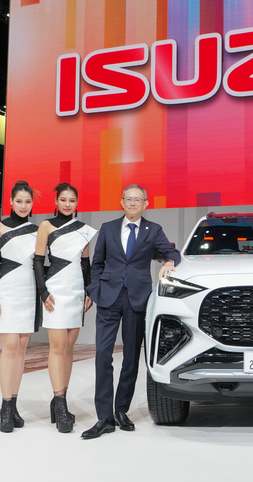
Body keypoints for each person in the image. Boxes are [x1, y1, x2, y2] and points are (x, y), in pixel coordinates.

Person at [81, 184, 180, 439]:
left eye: (138, 199)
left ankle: (121, 410)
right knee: (103, 355)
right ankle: (104, 417)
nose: (133, 203)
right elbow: (97, 263)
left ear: (146, 203)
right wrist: (95, 290)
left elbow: (172, 252)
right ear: (122, 202)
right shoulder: (108, 228)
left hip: (137, 299)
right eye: (128, 199)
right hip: (108, 298)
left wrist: (170, 261)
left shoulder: (153, 230)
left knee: (131, 358)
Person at [34, 183, 97, 433]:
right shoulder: (46, 226)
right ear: (56, 202)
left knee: (69, 347)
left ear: (77, 203)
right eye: (63, 200)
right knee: (58, 347)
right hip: (55, 289)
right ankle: (60, 404)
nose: (67, 204)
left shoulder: (84, 230)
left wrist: (89, 291)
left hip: (76, 289)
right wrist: (42, 291)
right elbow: (38, 260)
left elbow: (86, 263)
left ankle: (60, 398)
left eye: (72, 200)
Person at [0, 180, 39, 433]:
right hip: (6, 289)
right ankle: (5, 407)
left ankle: (14, 405)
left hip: (28, 290)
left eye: (28, 202)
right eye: (19, 201)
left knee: (21, 350)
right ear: (10, 202)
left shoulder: (37, 230)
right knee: (9, 348)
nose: (23, 206)